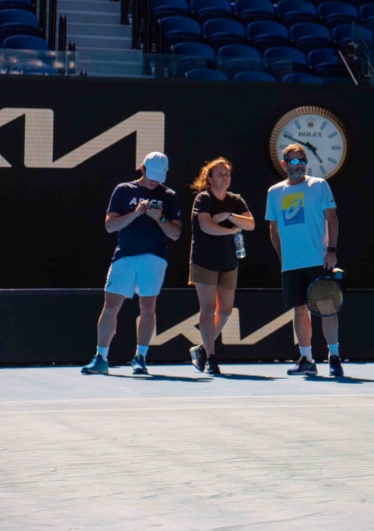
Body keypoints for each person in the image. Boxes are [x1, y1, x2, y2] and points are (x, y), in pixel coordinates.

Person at [82, 152, 182, 376]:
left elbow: (175, 234)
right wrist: (136, 213)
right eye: (151, 175)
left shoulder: (169, 195)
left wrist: (160, 218)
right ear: (142, 168)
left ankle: (140, 358)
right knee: (110, 306)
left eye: (159, 177)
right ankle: (101, 358)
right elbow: (110, 226)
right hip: (125, 255)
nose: (154, 181)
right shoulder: (123, 190)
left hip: (154, 257)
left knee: (148, 308)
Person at [266, 143, 342, 378]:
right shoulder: (274, 192)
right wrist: (282, 258)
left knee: (327, 309)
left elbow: (332, 218)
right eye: (294, 161)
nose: (299, 165)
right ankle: (307, 359)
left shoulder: (318, 185)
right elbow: (274, 228)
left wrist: (331, 250)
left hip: (318, 260)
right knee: (300, 310)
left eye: (302, 160)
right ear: (284, 163)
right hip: (292, 265)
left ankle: (334, 356)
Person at [187, 157, 255, 376]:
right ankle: (212, 358)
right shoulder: (203, 199)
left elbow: (250, 224)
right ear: (209, 178)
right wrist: (232, 229)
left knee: (225, 310)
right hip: (204, 261)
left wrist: (227, 216)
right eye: (219, 174)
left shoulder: (236, 200)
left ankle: (201, 349)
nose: (225, 177)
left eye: (227, 173)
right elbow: (207, 227)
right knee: (207, 309)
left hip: (229, 261)